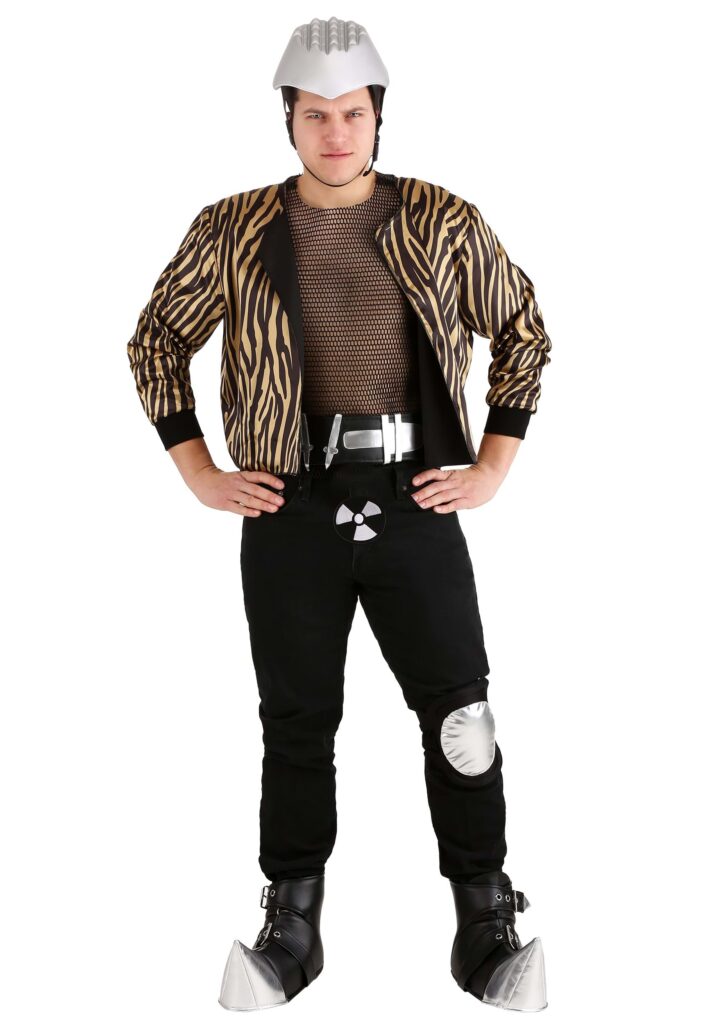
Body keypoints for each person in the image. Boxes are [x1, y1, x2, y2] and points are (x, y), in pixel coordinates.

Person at [126, 16, 552, 1013]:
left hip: (414, 497)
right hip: (289, 504)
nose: (334, 132)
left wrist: (492, 464)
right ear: (288, 119)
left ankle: (484, 921)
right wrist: (197, 469)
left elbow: (523, 331)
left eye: (351, 114)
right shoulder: (232, 227)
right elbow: (155, 340)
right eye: (315, 115)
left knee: (461, 720)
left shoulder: (442, 220)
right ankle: (293, 925)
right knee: (297, 722)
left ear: (377, 117)